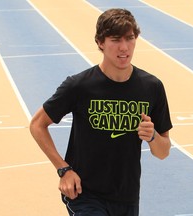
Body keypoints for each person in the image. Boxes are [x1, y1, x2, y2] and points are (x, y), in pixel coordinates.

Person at [30, 8, 172, 216]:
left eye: (130, 38)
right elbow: (37, 124)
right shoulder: (80, 86)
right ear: (100, 42)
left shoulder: (152, 87)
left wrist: (152, 136)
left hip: (127, 196)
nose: (124, 47)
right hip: (85, 194)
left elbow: (163, 151)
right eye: (115, 39)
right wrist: (63, 169)